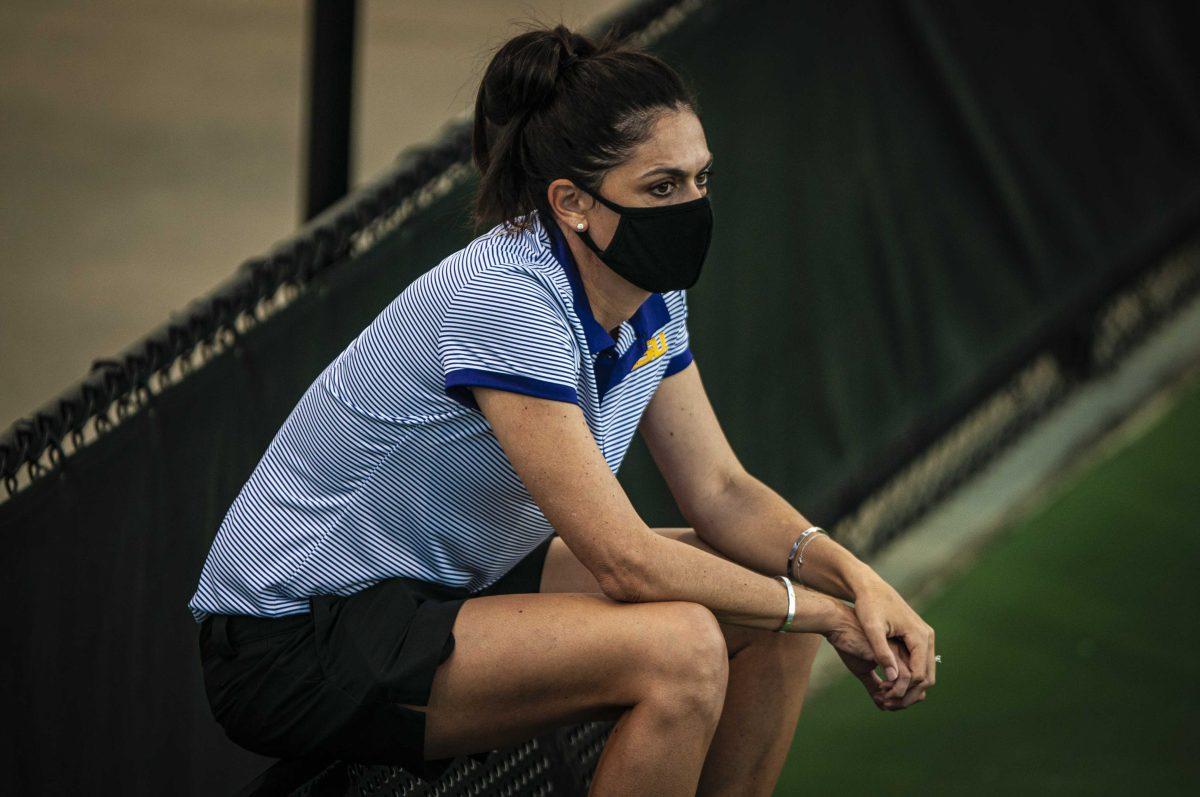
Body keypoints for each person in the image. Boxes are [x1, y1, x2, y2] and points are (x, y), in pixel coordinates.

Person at [187, 21, 936, 795]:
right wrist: (814, 608)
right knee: (683, 648)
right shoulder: (507, 299)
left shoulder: (652, 294)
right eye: (661, 186)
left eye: (699, 179)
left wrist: (854, 582)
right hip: (294, 636)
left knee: (769, 619)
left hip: (441, 588)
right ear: (572, 202)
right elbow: (624, 557)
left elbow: (721, 490)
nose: (692, 204)